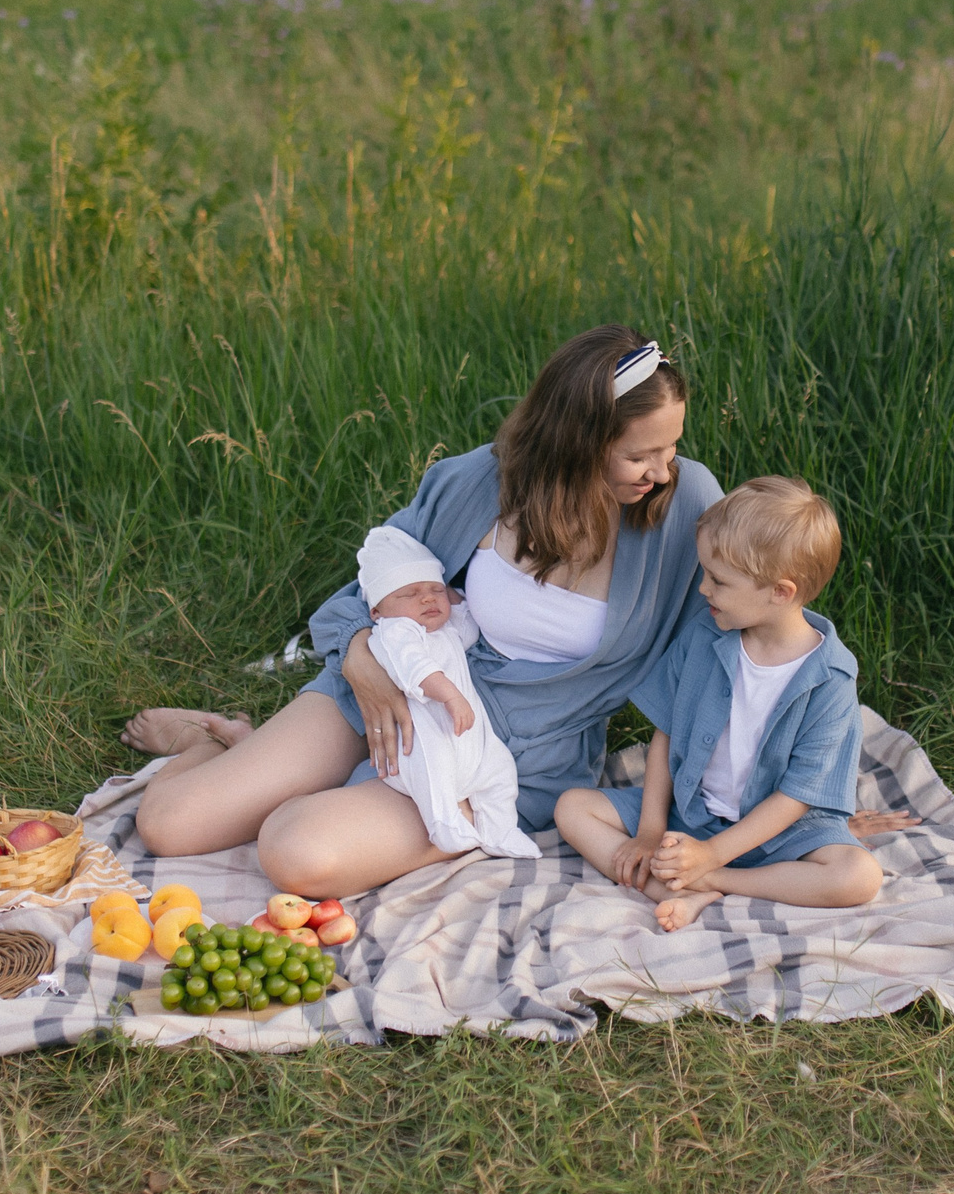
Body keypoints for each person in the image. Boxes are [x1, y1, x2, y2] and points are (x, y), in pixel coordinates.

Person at [122, 326, 725, 896]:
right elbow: (377, 580)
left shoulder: (684, 503)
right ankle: (209, 743)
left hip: (503, 746)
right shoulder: (482, 481)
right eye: (640, 454)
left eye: (670, 447)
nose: (662, 469)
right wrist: (359, 655)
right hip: (392, 684)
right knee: (170, 826)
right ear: (578, 439)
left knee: (295, 850)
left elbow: (724, 643)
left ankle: (286, 770)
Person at [555, 476, 884, 932]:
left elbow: (796, 799)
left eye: (719, 580)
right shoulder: (703, 636)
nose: (704, 589)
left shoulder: (829, 679)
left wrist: (711, 857)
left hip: (777, 834)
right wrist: (651, 831)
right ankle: (676, 881)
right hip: (690, 815)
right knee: (572, 807)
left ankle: (712, 881)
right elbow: (665, 736)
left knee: (860, 876)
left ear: (780, 592)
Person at [351, 524, 538, 860]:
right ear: (376, 611)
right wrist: (450, 695)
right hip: (420, 741)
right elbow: (415, 668)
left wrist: (454, 596)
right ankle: (445, 826)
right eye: (409, 593)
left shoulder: (443, 632)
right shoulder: (394, 632)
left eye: (435, 590)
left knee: (499, 769)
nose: (426, 598)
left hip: (466, 741)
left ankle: (500, 829)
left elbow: (468, 623)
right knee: (433, 772)